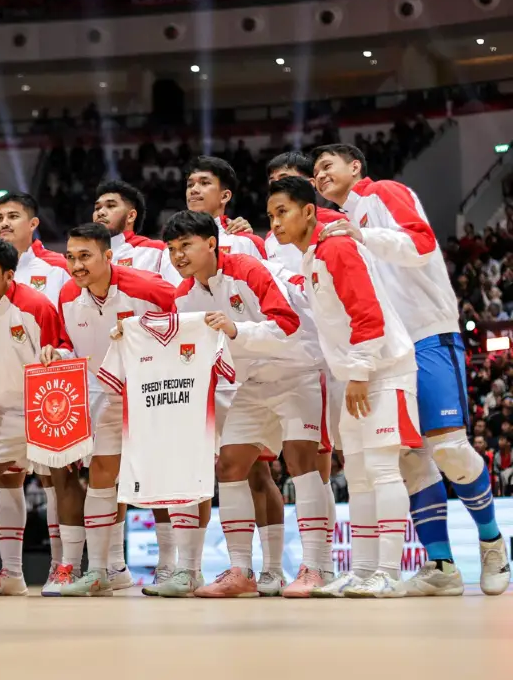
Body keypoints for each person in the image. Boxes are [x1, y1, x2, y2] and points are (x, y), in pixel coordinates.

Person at [315, 143, 510, 597]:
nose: (320, 175)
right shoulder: (336, 224)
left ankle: (492, 541)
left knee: (450, 450)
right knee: (408, 458)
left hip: (427, 334)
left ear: (355, 167)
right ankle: (441, 565)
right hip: (384, 349)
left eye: (327, 166)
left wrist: (364, 237)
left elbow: (422, 244)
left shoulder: (384, 192)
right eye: (315, 172)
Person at [266, 175, 424, 597]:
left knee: (382, 469)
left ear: (308, 211)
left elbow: (367, 313)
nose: (276, 223)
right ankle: (364, 570)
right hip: (353, 375)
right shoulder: (312, 256)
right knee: (357, 475)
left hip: (383, 370)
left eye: (282, 212)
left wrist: (359, 372)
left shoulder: (336, 247)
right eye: (271, 215)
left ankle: (389, 573)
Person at [166, 210, 333, 598]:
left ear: (212, 243)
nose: (178, 256)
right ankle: (241, 570)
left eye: (186, 245)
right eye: (172, 249)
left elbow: (288, 325)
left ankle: (316, 567)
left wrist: (235, 329)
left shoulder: (248, 269)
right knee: (229, 465)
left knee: (301, 462)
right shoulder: (183, 295)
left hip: (297, 371)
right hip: (253, 383)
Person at [39, 223, 180, 595]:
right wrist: (59, 353)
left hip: (154, 393)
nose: (76, 265)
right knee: (101, 476)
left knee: (159, 480)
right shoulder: (68, 294)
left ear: (108, 256)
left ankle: (170, 566)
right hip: (107, 395)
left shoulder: (149, 288)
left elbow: (185, 325)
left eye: (85, 256)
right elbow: (69, 343)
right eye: (70, 257)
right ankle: (103, 569)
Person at [0, 238, 83, 596]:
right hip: (5, 415)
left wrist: (61, 417)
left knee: (62, 481)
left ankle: (66, 569)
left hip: (47, 406)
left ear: (9, 275)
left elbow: (60, 355)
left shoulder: (36, 306)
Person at [184, 156, 285, 588]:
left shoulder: (244, 243)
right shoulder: (177, 245)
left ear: (225, 195)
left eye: (203, 183)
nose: (193, 189)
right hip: (206, 377)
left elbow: (270, 301)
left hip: (255, 369)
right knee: (215, 470)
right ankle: (209, 568)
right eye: (190, 182)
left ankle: (275, 568)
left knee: (261, 471)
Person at [0, 191, 73, 579]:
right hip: (4, 390)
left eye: (13, 216)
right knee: (8, 477)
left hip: (50, 388)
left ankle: (61, 566)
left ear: (33, 223)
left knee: (54, 480)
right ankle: (10, 573)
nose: (4, 223)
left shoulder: (58, 267)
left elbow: (69, 326)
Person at [93, 178, 182, 284]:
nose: (100, 212)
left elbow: (179, 291)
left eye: (111, 206)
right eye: (97, 208)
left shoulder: (157, 251)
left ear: (131, 216)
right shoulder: (82, 256)